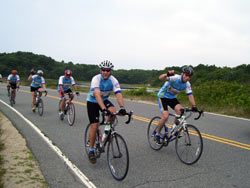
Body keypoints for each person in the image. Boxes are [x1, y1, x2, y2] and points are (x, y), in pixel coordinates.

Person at [86, 60, 127, 164]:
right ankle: (91, 150)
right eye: (103, 70)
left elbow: (118, 94)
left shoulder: (113, 80)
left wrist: (122, 107)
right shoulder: (96, 79)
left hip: (104, 100)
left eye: (108, 70)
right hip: (93, 102)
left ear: (111, 71)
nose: (105, 72)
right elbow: (96, 94)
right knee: (94, 126)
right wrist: (104, 109)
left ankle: (106, 132)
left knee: (113, 112)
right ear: (101, 70)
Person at [155, 66, 198, 144]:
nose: (188, 77)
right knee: (165, 116)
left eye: (190, 76)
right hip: (162, 97)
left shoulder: (187, 84)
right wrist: (166, 74)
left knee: (181, 112)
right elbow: (160, 78)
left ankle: (174, 129)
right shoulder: (175, 78)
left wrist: (194, 106)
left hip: (172, 98)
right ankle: (157, 133)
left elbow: (190, 95)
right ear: (182, 74)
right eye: (186, 75)